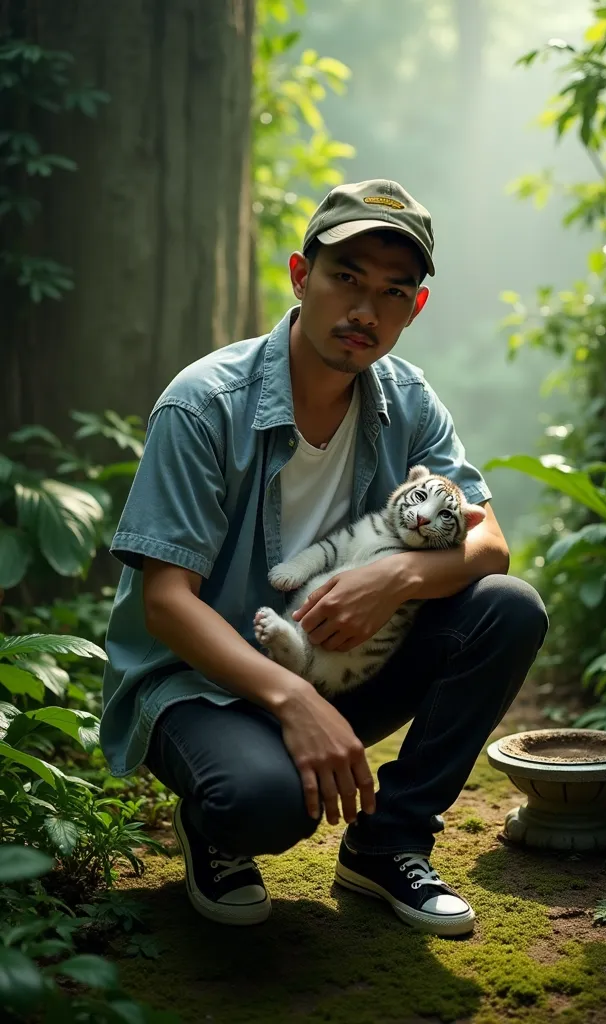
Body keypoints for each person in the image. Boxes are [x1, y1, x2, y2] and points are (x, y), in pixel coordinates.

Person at [100, 178, 548, 938]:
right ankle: (214, 825)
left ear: (416, 308)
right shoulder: (204, 403)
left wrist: (395, 576)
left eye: (392, 292)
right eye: (346, 279)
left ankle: (389, 840)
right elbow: (166, 602)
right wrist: (294, 701)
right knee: (263, 806)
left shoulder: (408, 401)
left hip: (332, 660)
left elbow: (490, 543)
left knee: (507, 609)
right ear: (301, 276)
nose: (365, 311)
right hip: (198, 685)